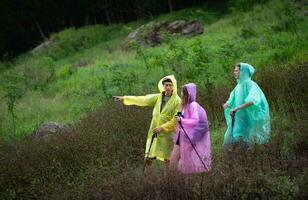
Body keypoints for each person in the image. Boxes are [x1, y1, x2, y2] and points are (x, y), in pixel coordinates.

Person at [113, 75, 181, 173]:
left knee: (167, 159)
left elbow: (176, 119)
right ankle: (149, 180)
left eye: (170, 85)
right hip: (154, 131)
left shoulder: (177, 101)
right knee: (148, 157)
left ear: (173, 86)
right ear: (163, 86)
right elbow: (143, 99)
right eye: (166, 85)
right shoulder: (158, 97)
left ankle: (170, 181)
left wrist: (162, 128)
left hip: (167, 134)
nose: (168, 87)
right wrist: (125, 98)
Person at [223, 63, 271, 151]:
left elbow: (252, 101)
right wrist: (227, 105)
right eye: (234, 71)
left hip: (248, 118)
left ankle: (250, 160)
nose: (234, 73)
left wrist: (236, 109)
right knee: (231, 141)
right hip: (239, 119)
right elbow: (231, 101)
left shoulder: (250, 84)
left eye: (237, 71)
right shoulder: (237, 87)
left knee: (247, 142)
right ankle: (239, 160)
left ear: (243, 72)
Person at [170, 83, 211, 174]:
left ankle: (173, 177)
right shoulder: (185, 105)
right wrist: (180, 111)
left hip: (190, 135)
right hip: (184, 134)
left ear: (188, 94)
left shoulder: (193, 105)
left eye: (183, 93)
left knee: (181, 155)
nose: (181, 95)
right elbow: (180, 118)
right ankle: (174, 176)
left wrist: (182, 120)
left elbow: (194, 120)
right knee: (180, 155)